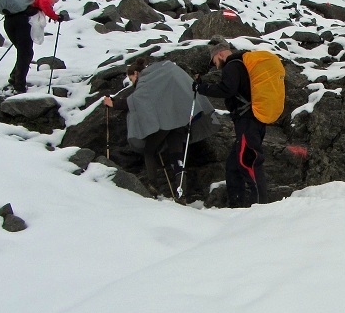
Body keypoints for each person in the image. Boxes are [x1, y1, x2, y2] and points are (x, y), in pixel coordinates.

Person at [103, 57, 217, 196]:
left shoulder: (145, 80)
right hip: (180, 121)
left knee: (149, 150)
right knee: (177, 157)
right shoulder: (159, 74)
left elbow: (136, 101)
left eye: (131, 79)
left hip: (166, 123)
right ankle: (181, 194)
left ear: (136, 74)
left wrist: (113, 104)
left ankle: (153, 186)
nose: (133, 83)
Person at [193, 42, 267, 207]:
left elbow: (227, 89)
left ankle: (261, 208)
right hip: (252, 121)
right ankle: (236, 206)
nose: (216, 66)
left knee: (250, 162)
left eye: (214, 62)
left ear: (219, 54)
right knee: (233, 166)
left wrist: (202, 88)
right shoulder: (242, 65)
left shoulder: (232, 65)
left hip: (248, 121)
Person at [3, 0, 59, 94]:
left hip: (9, 21)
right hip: (22, 22)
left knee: (23, 52)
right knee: (26, 53)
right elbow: (45, 5)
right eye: (54, 1)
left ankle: (14, 77)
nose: (53, 3)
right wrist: (56, 17)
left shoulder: (27, 1)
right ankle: (19, 85)